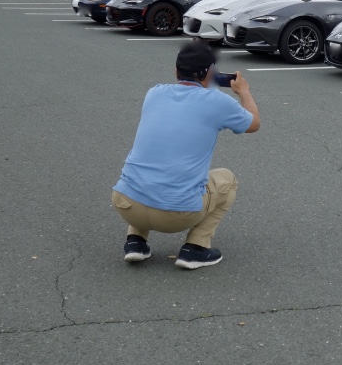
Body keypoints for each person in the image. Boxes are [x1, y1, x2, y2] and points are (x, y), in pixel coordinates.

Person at [111, 40, 260, 269]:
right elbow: (253, 124)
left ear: (176, 71)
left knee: (152, 169)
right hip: (177, 213)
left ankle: (136, 242)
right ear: (210, 73)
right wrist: (245, 92)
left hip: (126, 204)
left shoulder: (154, 93)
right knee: (227, 180)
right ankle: (195, 249)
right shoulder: (218, 102)